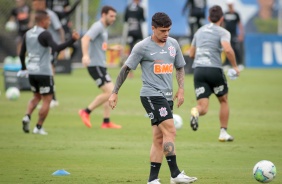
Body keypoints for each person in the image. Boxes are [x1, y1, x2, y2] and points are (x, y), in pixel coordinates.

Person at [109, 12, 197, 184]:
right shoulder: (142, 47)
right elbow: (125, 69)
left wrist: (181, 89)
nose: (166, 34)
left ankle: (152, 180)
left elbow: (179, 67)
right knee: (171, 130)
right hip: (151, 95)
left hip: (167, 96)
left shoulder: (173, 44)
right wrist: (114, 91)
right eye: (162, 31)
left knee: (158, 138)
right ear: (153, 28)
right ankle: (175, 174)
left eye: (168, 30)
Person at [18, 10, 79, 135]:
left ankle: (27, 116)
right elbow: (56, 48)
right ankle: (38, 127)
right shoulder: (45, 34)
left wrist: (24, 68)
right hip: (44, 72)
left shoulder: (28, 33)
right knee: (47, 99)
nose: (49, 23)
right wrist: (72, 41)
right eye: (48, 21)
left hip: (32, 71)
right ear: (43, 21)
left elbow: (21, 53)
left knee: (36, 97)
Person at [188, 5, 240, 142]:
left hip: (199, 71)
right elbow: (228, 50)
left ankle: (195, 111)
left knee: (203, 107)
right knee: (223, 100)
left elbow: (191, 53)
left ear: (208, 18)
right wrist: (235, 66)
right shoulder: (223, 32)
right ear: (222, 18)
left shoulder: (199, 31)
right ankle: (223, 132)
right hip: (214, 70)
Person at [78, 6, 122, 129]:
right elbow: (85, 39)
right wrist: (85, 55)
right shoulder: (97, 26)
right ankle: (86, 111)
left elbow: (100, 46)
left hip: (100, 65)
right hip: (95, 65)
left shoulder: (103, 29)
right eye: (111, 16)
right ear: (103, 15)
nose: (113, 19)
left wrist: (111, 48)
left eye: (114, 16)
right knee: (110, 92)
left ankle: (106, 121)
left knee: (111, 92)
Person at [32, 0, 66, 108]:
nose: (34, 4)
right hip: (43, 48)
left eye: (36, 2)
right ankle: (50, 99)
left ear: (42, 3)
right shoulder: (37, 15)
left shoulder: (50, 14)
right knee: (46, 71)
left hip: (52, 47)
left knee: (49, 70)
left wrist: (63, 46)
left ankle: (52, 99)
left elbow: (60, 29)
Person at [223, 0, 244, 67]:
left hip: (234, 34)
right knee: (227, 48)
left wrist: (241, 34)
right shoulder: (225, 14)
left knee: (235, 48)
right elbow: (223, 24)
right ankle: (227, 63)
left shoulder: (236, 14)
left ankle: (240, 63)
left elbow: (239, 24)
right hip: (226, 34)